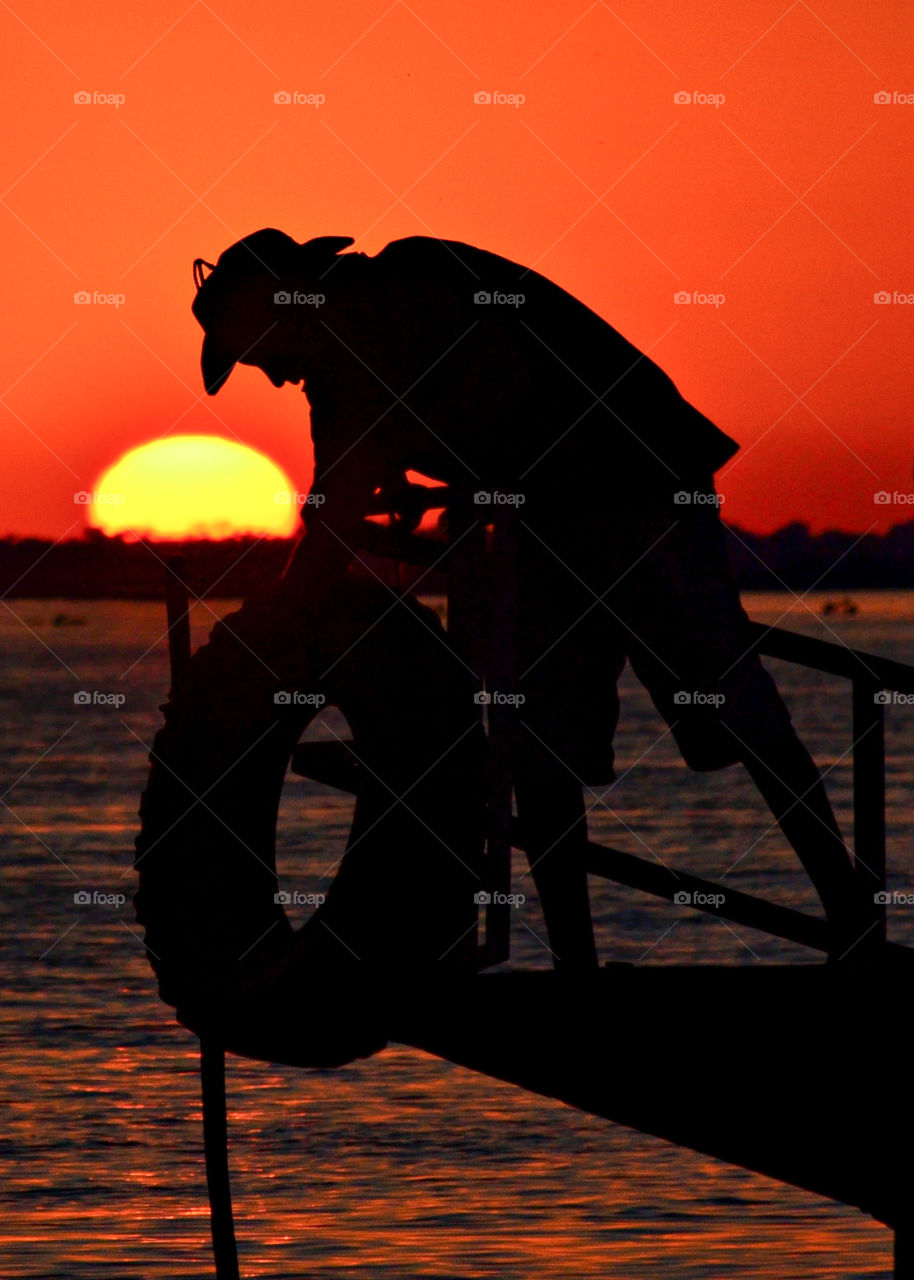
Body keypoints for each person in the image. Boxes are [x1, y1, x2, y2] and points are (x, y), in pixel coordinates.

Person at [190, 229, 867, 966]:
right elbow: (344, 494)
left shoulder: (402, 292)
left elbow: (357, 489)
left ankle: (851, 919)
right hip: (537, 518)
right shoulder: (348, 351)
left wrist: (277, 640)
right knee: (536, 737)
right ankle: (578, 965)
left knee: (728, 700)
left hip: (635, 486)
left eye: (262, 357)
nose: (276, 379)